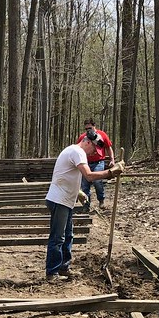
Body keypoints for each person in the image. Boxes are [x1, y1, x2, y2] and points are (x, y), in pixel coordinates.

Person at [45, 131, 123, 281]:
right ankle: (52, 273)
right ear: (88, 142)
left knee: (68, 236)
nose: (94, 152)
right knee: (58, 237)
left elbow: (66, 174)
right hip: (59, 200)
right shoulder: (78, 151)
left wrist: (79, 191)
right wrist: (110, 172)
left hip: (65, 200)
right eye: (94, 149)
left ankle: (63, 268)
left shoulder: (73, 151)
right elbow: (89, 176)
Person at [76, 118, 115, 210]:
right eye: (86, 129)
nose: (88, 130)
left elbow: (108, 148)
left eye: (90, 128)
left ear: (94, 126)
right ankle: (86, 204)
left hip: (99, 162)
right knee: (85, 184)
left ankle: (101, 200)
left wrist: (112, 159)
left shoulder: (102, 135)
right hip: (86, 163)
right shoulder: (83, 138)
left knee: (97, 181)